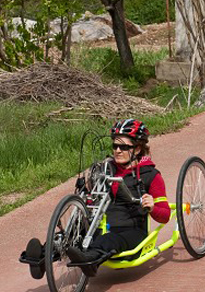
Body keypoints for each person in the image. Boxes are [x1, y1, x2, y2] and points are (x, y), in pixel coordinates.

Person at [21, 119, 169, 279]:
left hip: (131, 232)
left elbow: (165, 215)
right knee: (74, 234)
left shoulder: (151, 176)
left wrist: (152, 207)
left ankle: (90, 261)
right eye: (115, 146)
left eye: (124, 147)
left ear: (138, 148)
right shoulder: (106, 169)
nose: (117, 151)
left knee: (110, 239)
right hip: (101, 226)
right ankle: (42, 256)